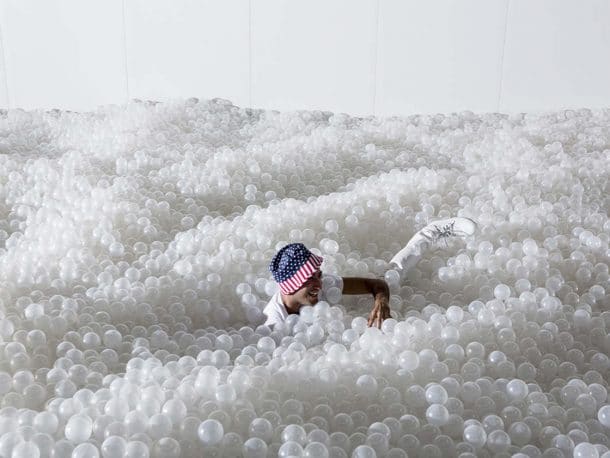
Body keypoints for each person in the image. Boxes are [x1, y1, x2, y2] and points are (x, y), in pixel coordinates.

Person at [263, 217, 477, 328]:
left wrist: (381, 301)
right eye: (309, 280)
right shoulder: (276, 322)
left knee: (391, 276)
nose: (319, 284)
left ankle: (431, 232)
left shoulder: (323, 285)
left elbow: (377, 284)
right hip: (343, 323)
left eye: (318, 274)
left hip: (345, 309)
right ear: (291, 286)